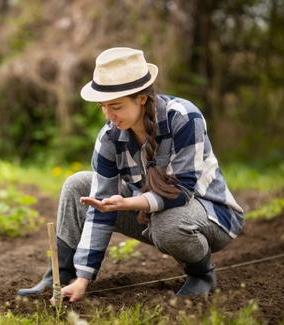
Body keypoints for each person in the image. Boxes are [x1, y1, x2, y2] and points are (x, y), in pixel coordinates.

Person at [17, 47, 244, 301]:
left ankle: (201, 274)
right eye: (103, 106)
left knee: (168, 222)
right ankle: (60, 276)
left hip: (211, 215)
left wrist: (127, 203)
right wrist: (84, 278)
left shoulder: (184, 117)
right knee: (77, 184)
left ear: (142, 98)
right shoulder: (110, 137)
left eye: (116, 106)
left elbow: (182, 192)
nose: (108, 115)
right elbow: (99, 209)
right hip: (150, 215)